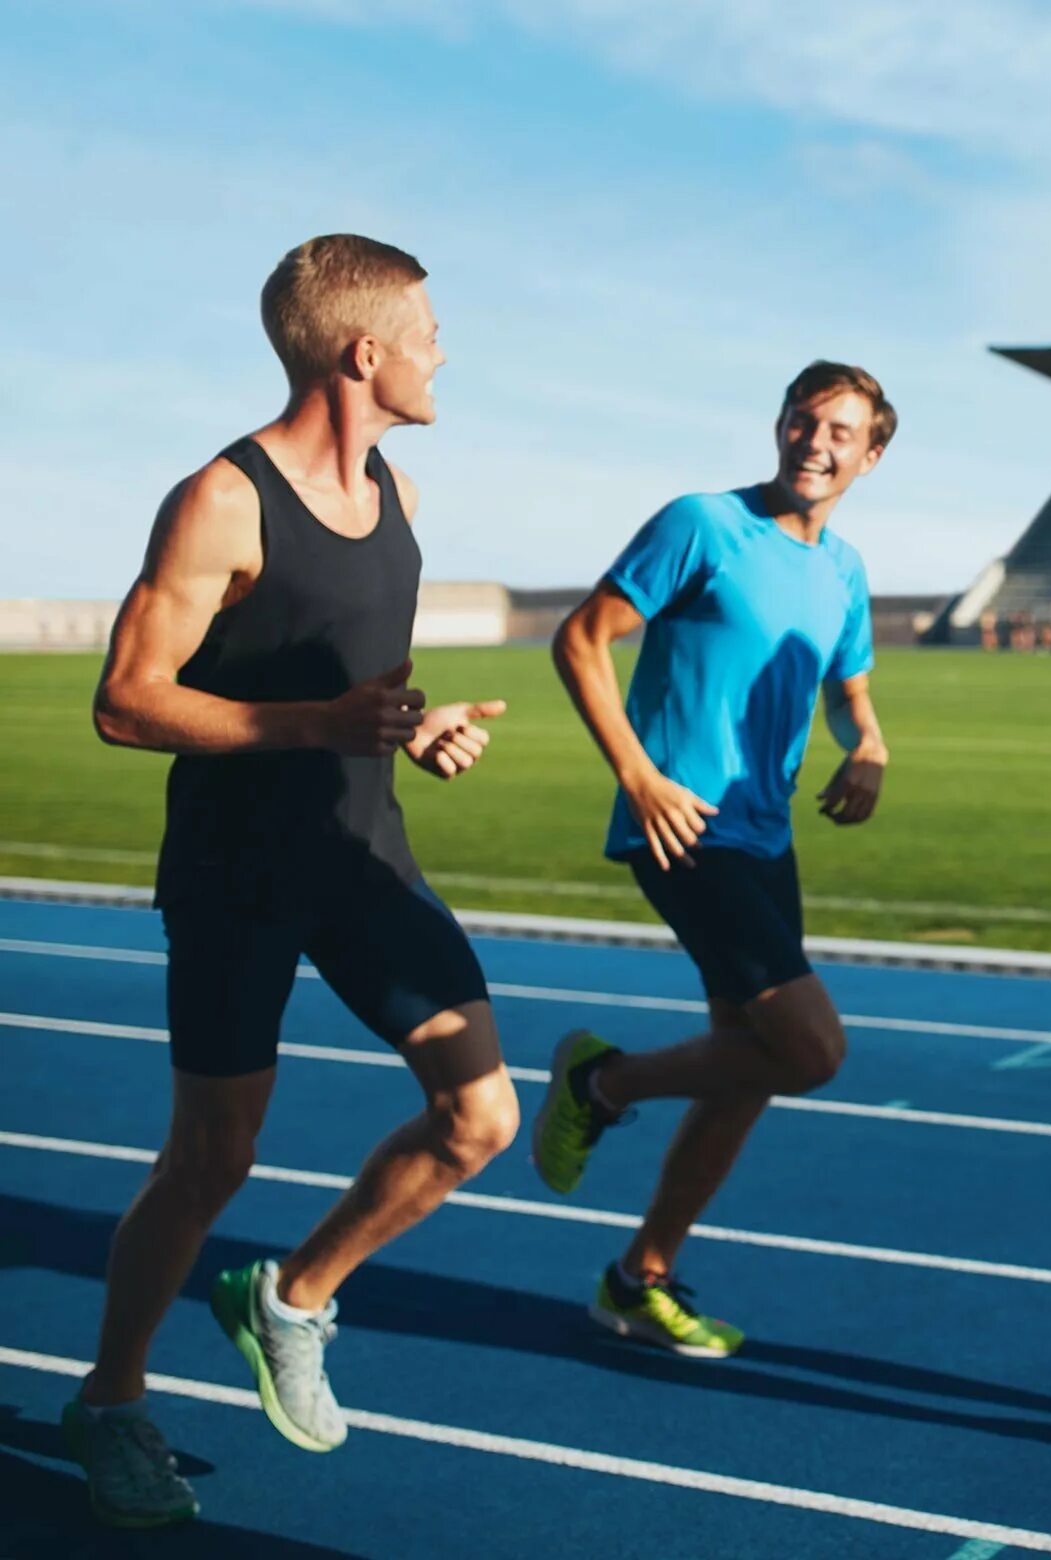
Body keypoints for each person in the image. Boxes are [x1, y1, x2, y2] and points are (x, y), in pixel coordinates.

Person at [68, 235, 517, 1528]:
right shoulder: (221, 498)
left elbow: (358, 676)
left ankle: (292, 1296)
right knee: (211, 1159)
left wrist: (411, 726)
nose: (444, 351)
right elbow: (124, 701)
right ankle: (109, 1399)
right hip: (235, 874)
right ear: (362, 351)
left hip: (363, 854)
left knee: (478, 1117)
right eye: (429, 330)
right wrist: (317, 727)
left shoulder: (403, 497)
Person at [535, 361, 893, 1355]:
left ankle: (637, 1277)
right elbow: (581, 638)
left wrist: (866, 743)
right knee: (813, 1050)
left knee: (751, 1068)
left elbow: (847, 688)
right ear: (780, 427)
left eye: (842, 432)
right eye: (805, 421)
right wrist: (640, 776)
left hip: (766, 838)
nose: (817, 443)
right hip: (683, 826)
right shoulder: (702, 524)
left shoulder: (845, 570)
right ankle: (597, 1085)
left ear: (870, 456)